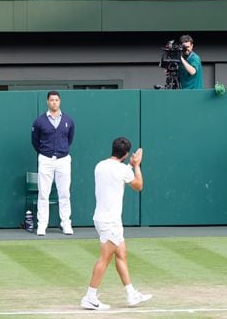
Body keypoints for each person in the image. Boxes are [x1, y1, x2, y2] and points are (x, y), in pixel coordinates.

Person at [80, 137, 151, 311]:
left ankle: (130, 294)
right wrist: (136, 165)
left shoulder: (100, 165)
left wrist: (128, 165)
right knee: (105, 258)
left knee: (121, 254)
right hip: (110, 221)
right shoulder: (123, 170)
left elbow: (116, 174)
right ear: (126, 154)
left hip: (104, 219)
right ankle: (90, 297)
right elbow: (139, 185)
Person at [31, 91, 76, 236]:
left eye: (56, 100)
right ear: (47, 102)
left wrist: (61, 151)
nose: (54, 102)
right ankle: (42, 225)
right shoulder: (39, 121)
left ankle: (66, 224)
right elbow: (35, 141)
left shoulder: (68, 120)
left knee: (64, 193)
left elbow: (69, 139)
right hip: (45, 159)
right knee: (43, 193)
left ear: (60, 101)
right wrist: (46, 152)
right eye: (51, 100)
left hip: (63, 159)